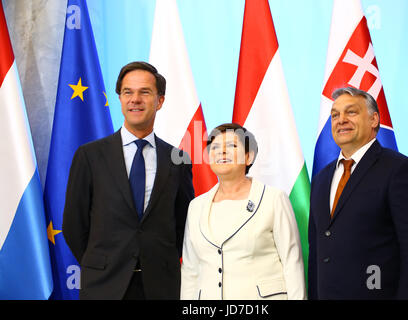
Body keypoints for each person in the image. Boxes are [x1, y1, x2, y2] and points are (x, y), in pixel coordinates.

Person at [62, 61, 194, 300]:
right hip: (104, 284)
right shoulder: (90, 155)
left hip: (161, 286)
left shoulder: (178, 160)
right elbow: (73, 223)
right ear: (120, 99)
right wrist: (102, 263)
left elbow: (183, 224)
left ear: (160, 101)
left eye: (145, 92)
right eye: (127, 92)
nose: (135, 99)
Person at [308, 87, 408, 299]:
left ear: (374, 119)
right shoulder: (322, 179)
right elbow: (318, 252)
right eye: (335, 115)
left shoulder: (400, 170)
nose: (341, 120)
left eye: (351, 112)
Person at [180, 123, 306, 300]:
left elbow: (292, 263)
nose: (221, 152)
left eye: (231, 146)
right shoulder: (196, 206)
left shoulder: (273, 199)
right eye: (215, 147)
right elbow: (190, 271)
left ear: (249, 157)